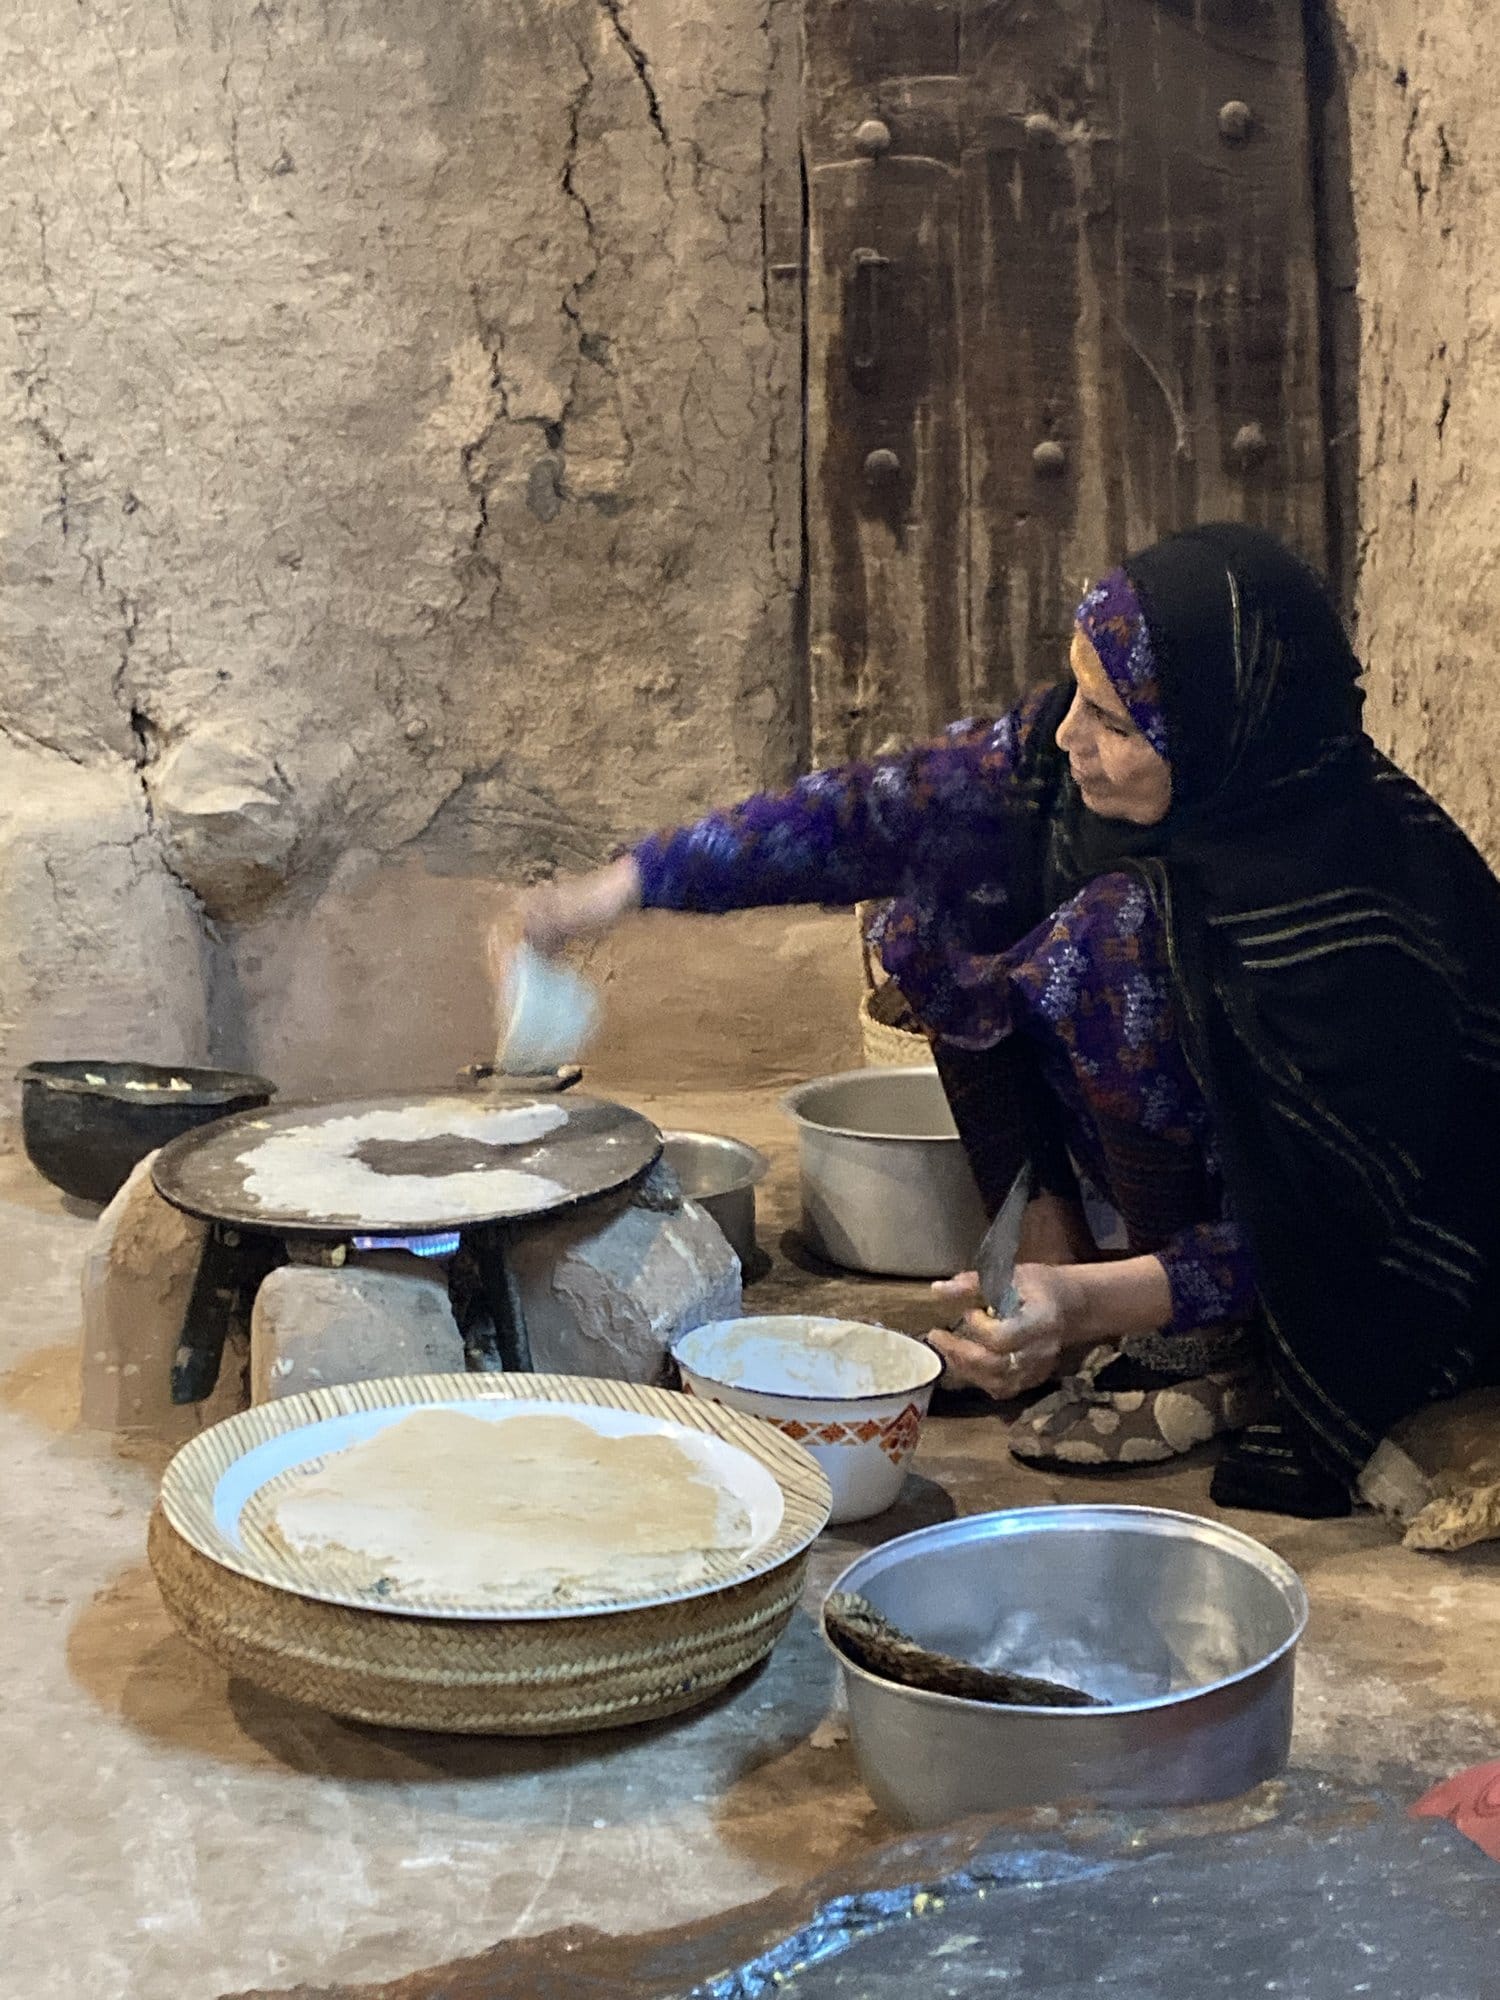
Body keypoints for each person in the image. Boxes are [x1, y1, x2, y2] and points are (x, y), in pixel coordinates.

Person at [518, 524, 1500, 1518]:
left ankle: (1204, 1349)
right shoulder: (1058, 764)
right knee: (940, 903)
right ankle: (1056, 1243)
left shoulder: (1358, 922)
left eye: (1116, 721)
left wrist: (1091, 1310)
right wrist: (612, 891)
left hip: (1382, 1249)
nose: (1071, 734)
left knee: (1110, 942)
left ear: (1216, 734)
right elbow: (871, 813)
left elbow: (1329, 1220)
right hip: (1216, 1159)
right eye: (1076, 691)